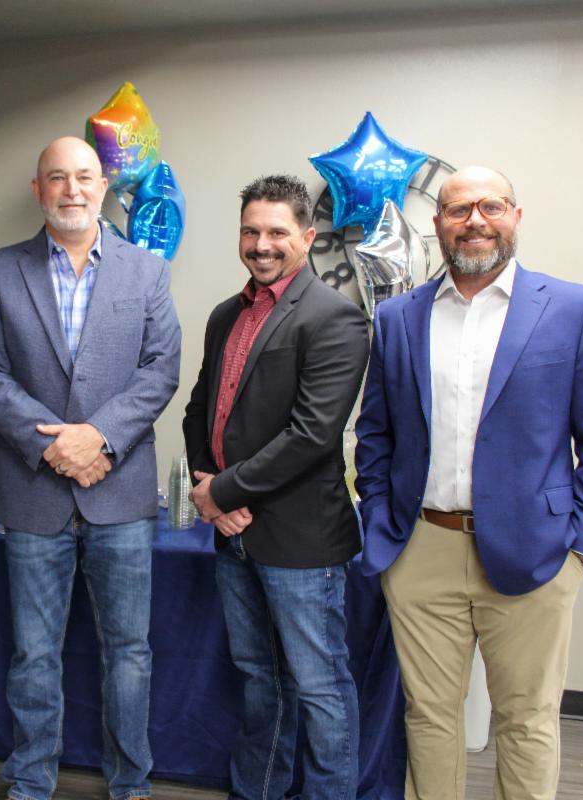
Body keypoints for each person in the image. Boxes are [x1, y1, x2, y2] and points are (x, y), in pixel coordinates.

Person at [354, 165, 583, 799]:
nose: (475, 220)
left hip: (537, 552)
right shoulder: (398, 317)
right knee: (428, 719)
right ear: (438, 224)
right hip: (420, 549)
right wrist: (381, 524)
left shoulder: (574, 309)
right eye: (459, 210)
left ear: (515, 216)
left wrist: (582, 547)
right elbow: (375, 434)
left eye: (491, 206)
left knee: (528, 720)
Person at [0, 135, 181, 800]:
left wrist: (99, 439)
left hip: (121, 493)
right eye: (56, 178)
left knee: (130, 654)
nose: (72, 190)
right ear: (39, 190)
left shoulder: (146, 271)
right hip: (33, 492)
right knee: (33, 655)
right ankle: (30, 782)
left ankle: (131, 785)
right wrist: (56, 445)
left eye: (84, 176)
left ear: (104, 186)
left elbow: (160, 371)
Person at [183, 174, 368, 800]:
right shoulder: (225, 314)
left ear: (307, 237)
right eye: (251, 231)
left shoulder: (335, 317)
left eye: (277, 233)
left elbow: (313, 435)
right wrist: (210, 490)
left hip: (300, 541)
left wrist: (223, 494)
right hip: (233, 536)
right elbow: (199, 412)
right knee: (259, 680)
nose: (262, 244)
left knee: (318, 687)